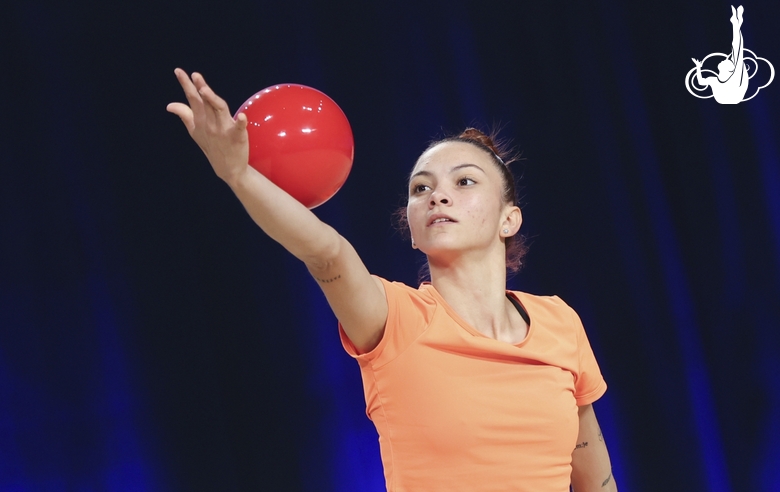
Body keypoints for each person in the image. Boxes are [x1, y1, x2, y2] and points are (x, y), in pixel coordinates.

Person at [167, 68, 617, 492]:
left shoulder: (559, 321)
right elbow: (326, 253)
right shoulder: (394, 319)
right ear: (414, 231)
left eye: (465, 182)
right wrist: (238, 174)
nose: (438, 194)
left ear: (509, 220)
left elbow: (597, 480)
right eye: (421, 188)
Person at [692, 5, 747, 104]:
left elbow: (737, 49)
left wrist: (698, 67)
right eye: (727, 60)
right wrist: (698, 67)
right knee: (737, 51)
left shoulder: (731, 78)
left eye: (726, 61)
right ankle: (736, 24)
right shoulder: (715, 80)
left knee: (737, 50)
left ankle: (736, 23)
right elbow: (701, 82)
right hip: (729, 97)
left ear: (729, 69)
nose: (725, 59)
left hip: (733, 95)